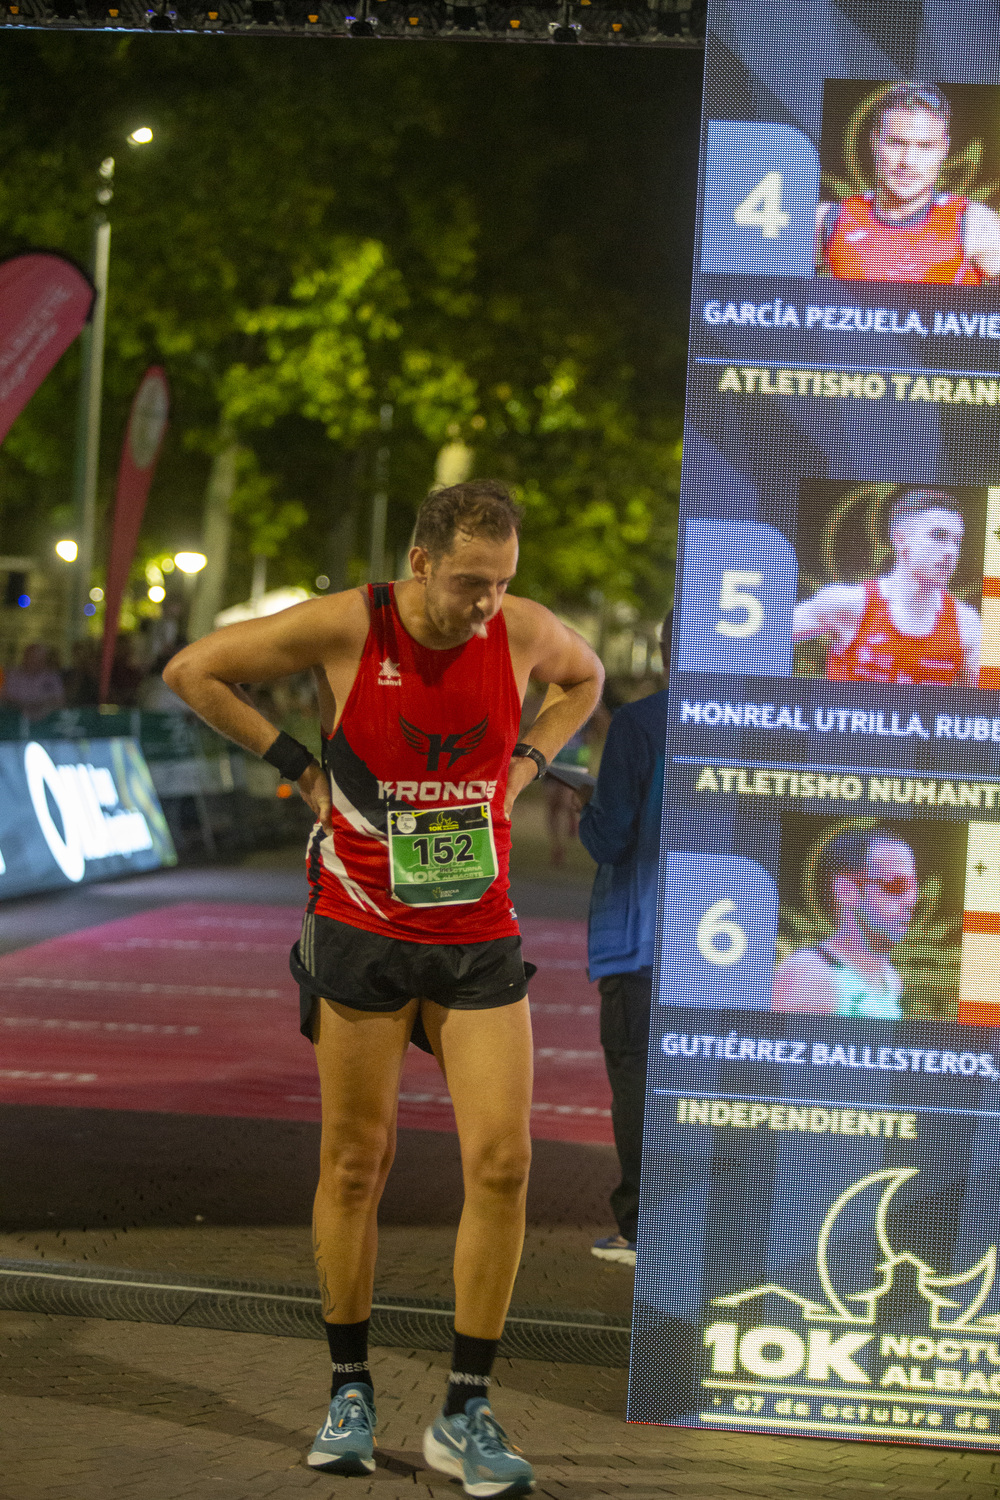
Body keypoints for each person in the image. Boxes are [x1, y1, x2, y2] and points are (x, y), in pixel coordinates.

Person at [164, 480, 603, 1493]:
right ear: (417, 565)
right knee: (356, 1164)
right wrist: (302, 771)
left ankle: (466, 1408)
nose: (483, 606)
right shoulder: (349, 626)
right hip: (361, 926)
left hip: (477, 936)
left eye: (498, 585)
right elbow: (196, 670)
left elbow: (584, 678)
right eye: (465, 586)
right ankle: (350, 1390)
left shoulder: (523, 630)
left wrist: (527, 764)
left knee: (502, 1162)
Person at [575, 615, 670, 1268]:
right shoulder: (760, 722)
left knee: (637, 1084)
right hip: (733, 951)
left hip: (642, 939)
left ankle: (639, 1227)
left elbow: (610, 838)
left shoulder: (641, 724)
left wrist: (588, 807)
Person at [792, 489, 980, 685]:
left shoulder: (967, 625)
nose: (951, 552)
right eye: (938, 536)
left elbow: (984, 706)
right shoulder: (849, 603)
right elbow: (762, 634)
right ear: (900, 539)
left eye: (957, 541)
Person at [816, 83, 1000, 284]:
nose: (908, 160)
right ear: (874, 142)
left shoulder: (976, 224)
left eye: (924, 146)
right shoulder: (827, 220)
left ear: (943, 148)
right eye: (896, 143)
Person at [772, 826, 918, 1018]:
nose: (911, 900)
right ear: (847, 890)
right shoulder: (808, 973)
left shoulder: (891, 979)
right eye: (896, 886)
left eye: (914, 887)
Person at [1, 642, 65, 721]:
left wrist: (43, 708)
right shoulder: (12, 676)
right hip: (14, 719)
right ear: (24, 658)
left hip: (45, 719)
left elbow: (59, 701)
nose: (35, 662)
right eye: (32, 658)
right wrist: (22, 706)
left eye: (40, 659)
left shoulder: (52, 677)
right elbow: (4, 699)